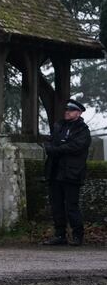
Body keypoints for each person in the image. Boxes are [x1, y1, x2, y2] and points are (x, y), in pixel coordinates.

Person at [42, 98, 90, 247]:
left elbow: (76, 147)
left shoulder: (82, 130)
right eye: (67, 110)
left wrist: (57, 148)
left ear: (79, 112)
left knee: (71, 206)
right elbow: (50, 143)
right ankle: (60, 235)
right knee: (56, 205)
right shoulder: (59, 126)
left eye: (71, 110)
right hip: (55, 172)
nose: (67, 112)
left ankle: (77, 236)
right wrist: (57, 147)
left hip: (72, 173)